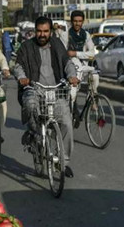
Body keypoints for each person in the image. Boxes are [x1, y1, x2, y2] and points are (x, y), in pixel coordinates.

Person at [13, 17, 79, 179]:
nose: (42, 34)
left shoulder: (57, 44)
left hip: (56, 91)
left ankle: (62, 162)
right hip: (34, 89)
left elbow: (67, 63)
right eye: (39, 31)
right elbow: (18, 66)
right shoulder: (27, 46)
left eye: (45, 31)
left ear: (50, 31)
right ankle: (33, 134)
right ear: (35, 31)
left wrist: (72, 75)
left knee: (67, 124)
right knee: (30, 106)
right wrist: (22, 78)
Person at [58, 10, 100, 105]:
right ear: (72, 22)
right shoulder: (65, 35)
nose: (77, 23)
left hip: (84, 66)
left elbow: (92, 53)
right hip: (72, 68)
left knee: (95, 76)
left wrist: (76, 53)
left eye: (80, 21)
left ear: (83, 21)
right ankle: (70, 114)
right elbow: (63, 54)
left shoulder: (86, 35)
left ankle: (92, 101)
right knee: (72, 94)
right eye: (75, 21)